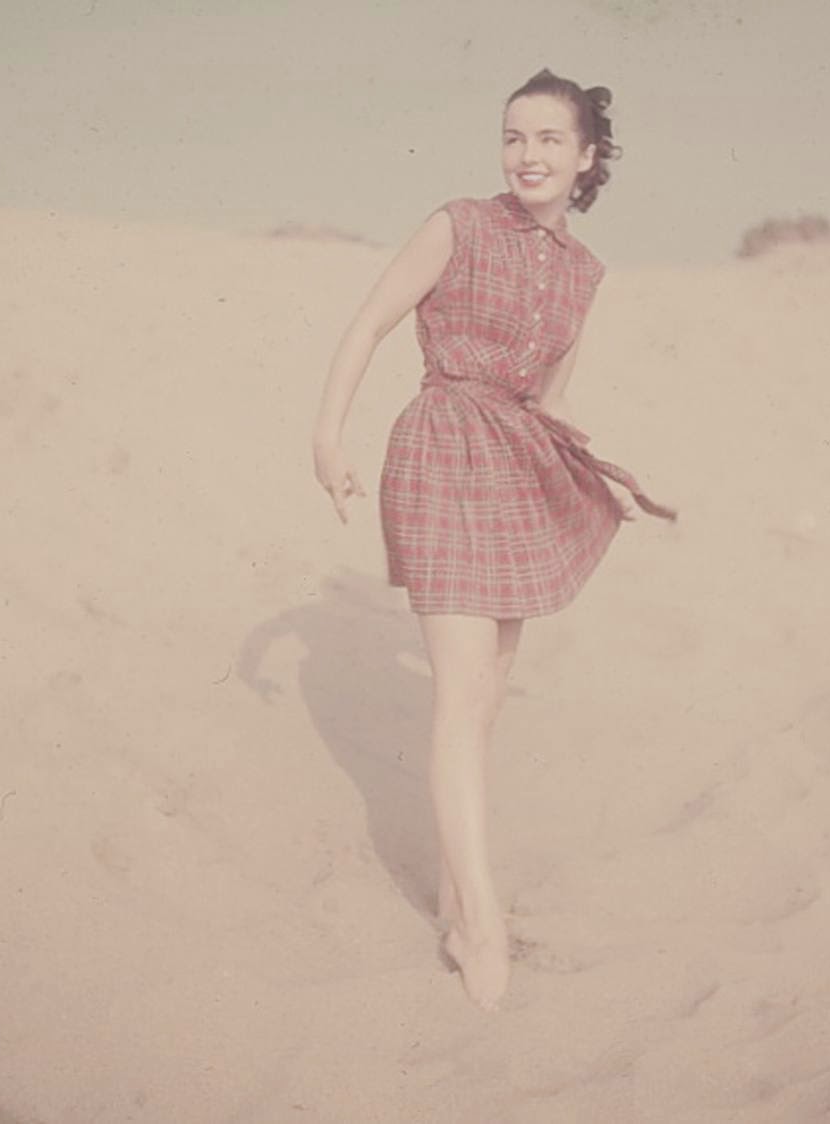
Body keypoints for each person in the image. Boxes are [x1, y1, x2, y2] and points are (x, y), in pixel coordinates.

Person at [311, 67, 676, 1011]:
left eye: (550, 140)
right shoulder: (457, 225)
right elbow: (371, 321)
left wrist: (598, 474)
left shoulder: (586, 274)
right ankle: (480, 923)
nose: (529, 155)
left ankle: (450, 886)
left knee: (485, 700)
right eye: (515, 137)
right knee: (462, 695)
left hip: (520, 463)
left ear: (587, 157)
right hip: (440, 449)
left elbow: (549, 402)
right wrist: (327, 436)